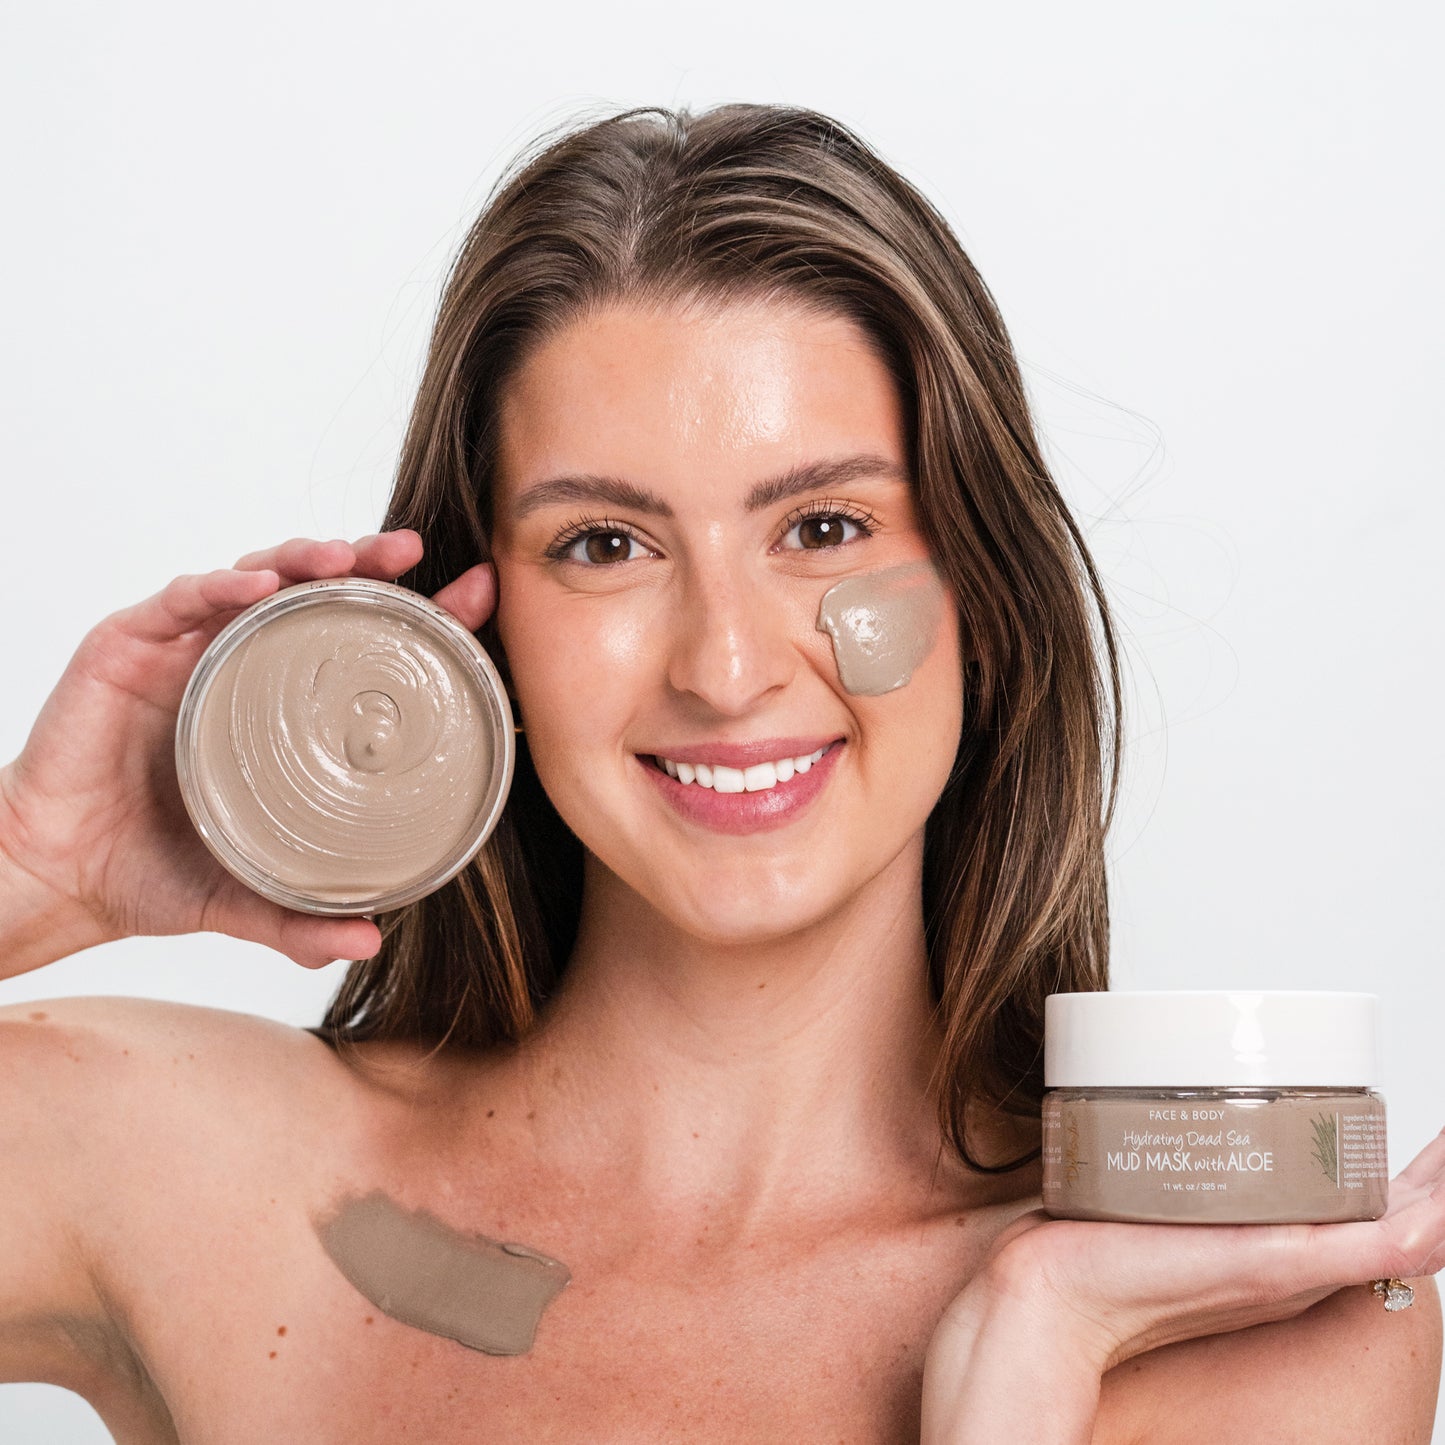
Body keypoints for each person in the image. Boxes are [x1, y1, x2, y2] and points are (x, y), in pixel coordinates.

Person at [0, 102, 1440, 1443]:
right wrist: (31, 865)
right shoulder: (198, 1174)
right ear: (478, 627)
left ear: (982, 603)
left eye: (821, 529)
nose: (723, 666)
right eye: (604, 544)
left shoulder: (1246, 1328)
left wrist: (1024, 1355)